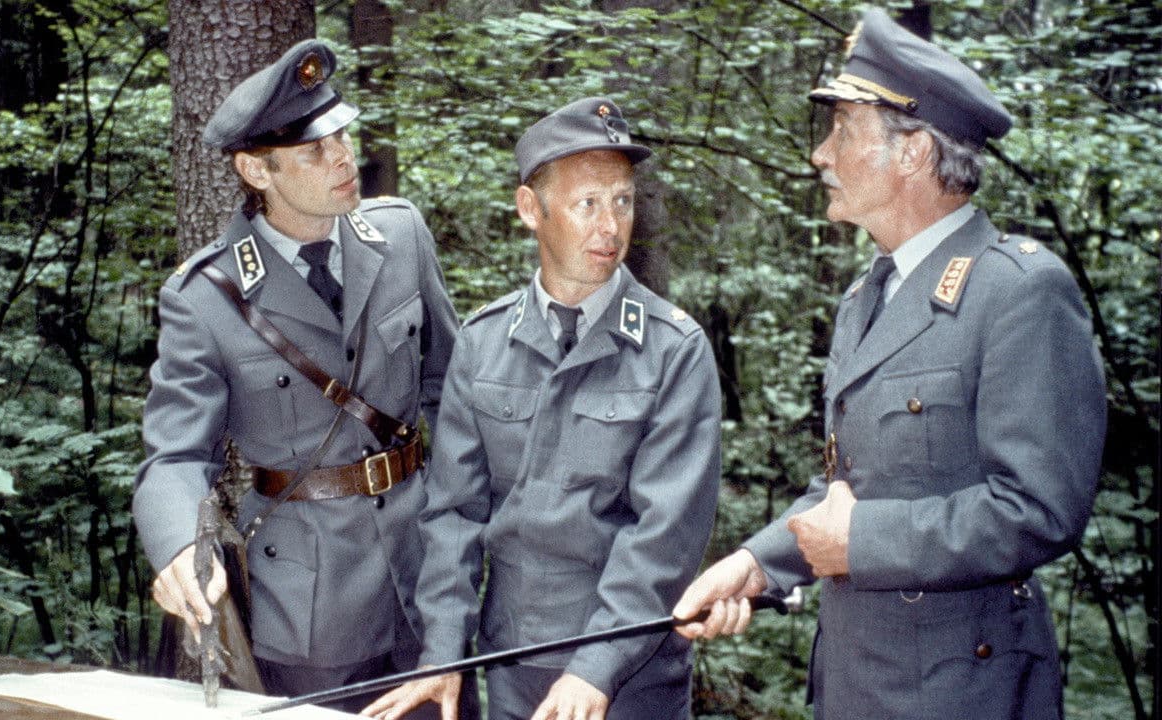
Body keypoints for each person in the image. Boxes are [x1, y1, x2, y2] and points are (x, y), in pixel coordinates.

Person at [672, 9, 1107, 720]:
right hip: (853, 681)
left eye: (843, 131)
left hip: (960, 694)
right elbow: (844, 490)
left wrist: (863, 542)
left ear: (913, 153)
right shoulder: (866, 297)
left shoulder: (1019, 290)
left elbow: (1040, 509)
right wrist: (753, 566)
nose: (821, 154)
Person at [132, 39, 476, 718]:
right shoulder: (206, 297)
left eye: (341, 136)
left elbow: (456, 396)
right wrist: (176, 543)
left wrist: (464, 524)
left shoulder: (400, 237)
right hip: (309, 605)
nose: (344, 157)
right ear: (256, 169)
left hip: (427, 577)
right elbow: (174, 456)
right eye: (316, 150)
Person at [362, 97, 721, 720]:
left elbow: (664, 539)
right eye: (588, 204)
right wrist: (443, 652)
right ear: (531, 209)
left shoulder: (674, 350)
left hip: (632, 673)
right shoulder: (483, 343)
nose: (610, 226)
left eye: (623, 201)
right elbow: (453, 517)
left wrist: (595, 669)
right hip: (514, 664)